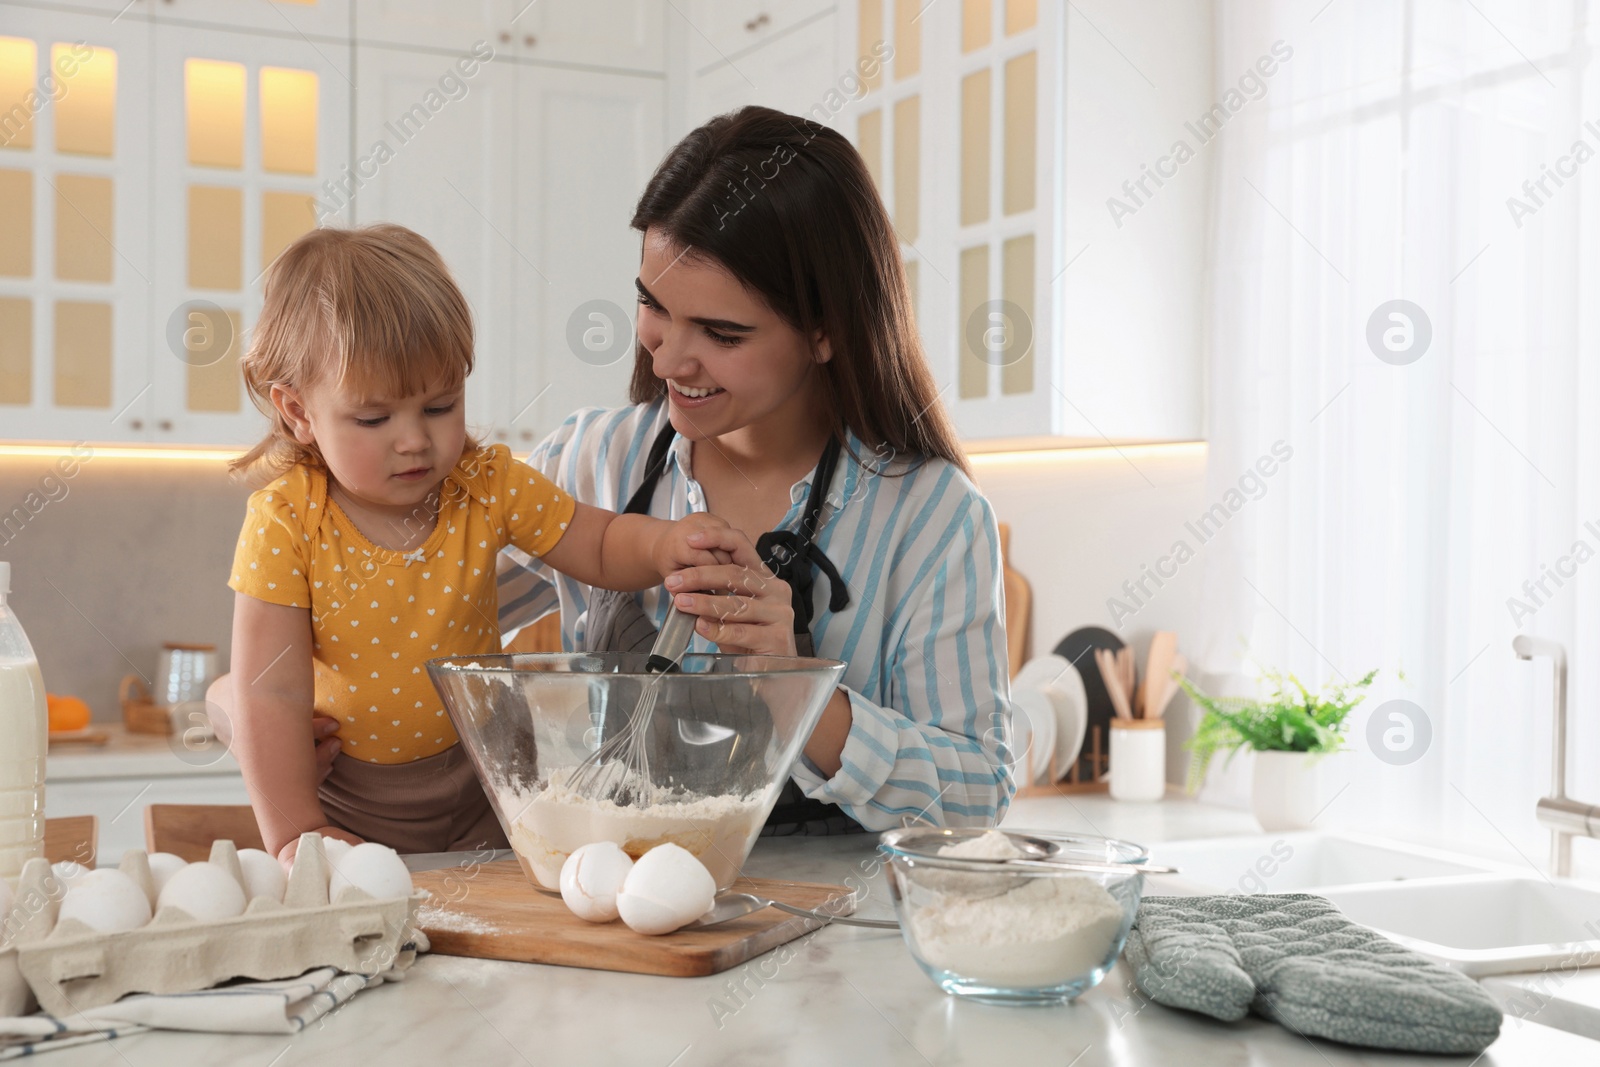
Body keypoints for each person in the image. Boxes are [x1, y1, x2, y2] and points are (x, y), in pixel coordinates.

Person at [496, 106, 1017, 833]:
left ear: (826, 329)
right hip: (621, 911)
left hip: (834, 933)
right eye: (653, 304)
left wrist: (794, 688)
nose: (669, 358)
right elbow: (411, 600)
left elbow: (974, 797)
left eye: (721, 332)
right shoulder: (589, 463)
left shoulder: (932, 518)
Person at [219, 224, 728, 864]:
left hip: (490, 785)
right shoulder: (288, 523)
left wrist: (662, 545)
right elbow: (270, 693)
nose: (414, 440)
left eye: (440, 405)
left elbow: (595, 544)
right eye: (374, 419)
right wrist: (296, 831)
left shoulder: (486, 483)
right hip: (354, 804)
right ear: (297, 412)